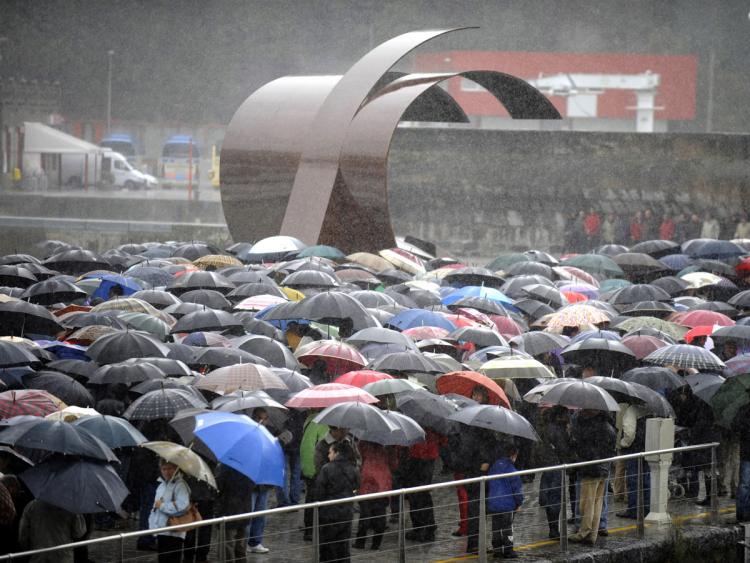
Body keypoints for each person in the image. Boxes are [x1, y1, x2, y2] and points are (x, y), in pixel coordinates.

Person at [569, 409, 616, 545]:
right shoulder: (609, 426)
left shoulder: (593, 427)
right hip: (603, 470)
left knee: (586, 503)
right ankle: (593, 534)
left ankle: (584, 532)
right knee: (597, 503)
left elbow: (586, 450)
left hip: (591, 470)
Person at [316, 440, 360, 563]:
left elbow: (319, 492)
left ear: (337, 453)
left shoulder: (326, 469)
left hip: (329, 513)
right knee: (343, 545)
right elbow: (357, 486)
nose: (328, 455)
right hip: (346, 512)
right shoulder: (353, 468)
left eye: (330, 452)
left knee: (327, 547)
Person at [354, 440, 398, 550]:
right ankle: (376, 544)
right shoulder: (389, 447)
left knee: (365, 515)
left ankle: (360, 542)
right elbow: (394, 465)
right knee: (380, 517)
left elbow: (358, 459)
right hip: (382, 486)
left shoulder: (363, 444)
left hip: (366, 484)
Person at [536, 406, 571, 539]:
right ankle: (554, 530)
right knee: (555, 499)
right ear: (560, 416)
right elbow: (563, 449)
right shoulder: (559, 430)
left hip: (547, 466)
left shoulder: (545, 427)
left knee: (549, 496)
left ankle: (553, 527)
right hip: (556, 467)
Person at [148, 459, 191, 563]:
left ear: (176, 468)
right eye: (164, 469)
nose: (167, 472)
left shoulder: (180, 485)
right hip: (162, 530)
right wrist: (153, 526)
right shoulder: (162, 485)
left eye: (170, 468)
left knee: (171, 559)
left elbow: (182, 506)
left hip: (174, 531)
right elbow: (155, 509)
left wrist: (162, 505)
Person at [18, 499, 87, 563]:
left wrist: (29, 551)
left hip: (38, 556)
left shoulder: (32, 506)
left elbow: (23, 536)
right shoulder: (70, 506)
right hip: (63, 557)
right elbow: (79, 532)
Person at [487, 444, 524, 559]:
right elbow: (517, 490)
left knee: (496, 528)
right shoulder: (512, 470)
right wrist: (519, 503)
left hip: (494, 504)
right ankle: (509, 550)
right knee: (508, 528)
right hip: (507, 506)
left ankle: (497, 550)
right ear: (513, 455)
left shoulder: (494, 466)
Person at [615, 404, 650, 519]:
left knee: (633, 480)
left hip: (635, 450)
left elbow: (629, 434)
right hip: (649, 447)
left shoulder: (632, 410)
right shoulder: (651, 408)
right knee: (647, 480)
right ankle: (647, 508)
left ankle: (633, 510)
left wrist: (622, 443)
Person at [215, 463, 255, 562]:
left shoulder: (226, 467)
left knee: (227, 544)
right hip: (245, 511)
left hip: (228, 511)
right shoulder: (251, 468)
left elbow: (218, 487)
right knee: (240, 545)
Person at [300, 409, 330, 541]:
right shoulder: (324, 423)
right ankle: (315, 529)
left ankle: (308, 529)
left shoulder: (309, 420)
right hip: (316, 467)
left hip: (306, 465)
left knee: (310, 499)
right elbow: (327, 446)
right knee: (317, 499)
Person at [246, 408, 271, 554]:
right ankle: (245, 542)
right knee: (249, 515)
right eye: (260, 418)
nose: (263, 421)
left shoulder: (268, 435)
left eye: (265, 418)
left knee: (260, 514)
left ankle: (256, 541)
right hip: (250, 482)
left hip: (264, 481)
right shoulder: (248, 434)